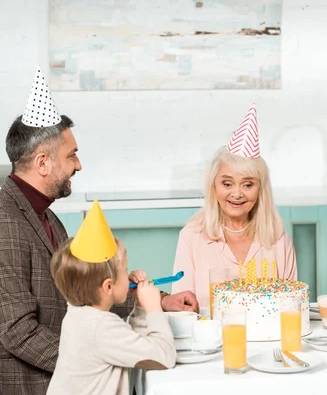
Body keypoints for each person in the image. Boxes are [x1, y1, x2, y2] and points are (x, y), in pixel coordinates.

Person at [0, 66, 196, 395]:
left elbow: (88, 294)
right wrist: (82, 363)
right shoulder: (5, 222)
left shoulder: (46, 217)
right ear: (43, 162)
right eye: (71, 155)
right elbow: (17, 331)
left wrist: (161, 301)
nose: (78, 165)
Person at [172, 104, 297, 308]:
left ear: (260, 189)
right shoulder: (191, 237)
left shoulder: (278, 240)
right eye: (227, 183)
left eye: (247, 184)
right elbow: (182, 308)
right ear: (214, 185)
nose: (237, 194)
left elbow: (292, 307)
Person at [47, 201, 176, 395]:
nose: (128, 273)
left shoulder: (79, 316)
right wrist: (154, 308)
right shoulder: (102, 328)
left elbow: (135, 345)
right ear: (108, 286)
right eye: (124, 269)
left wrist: (140, 306)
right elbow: (164, 357)